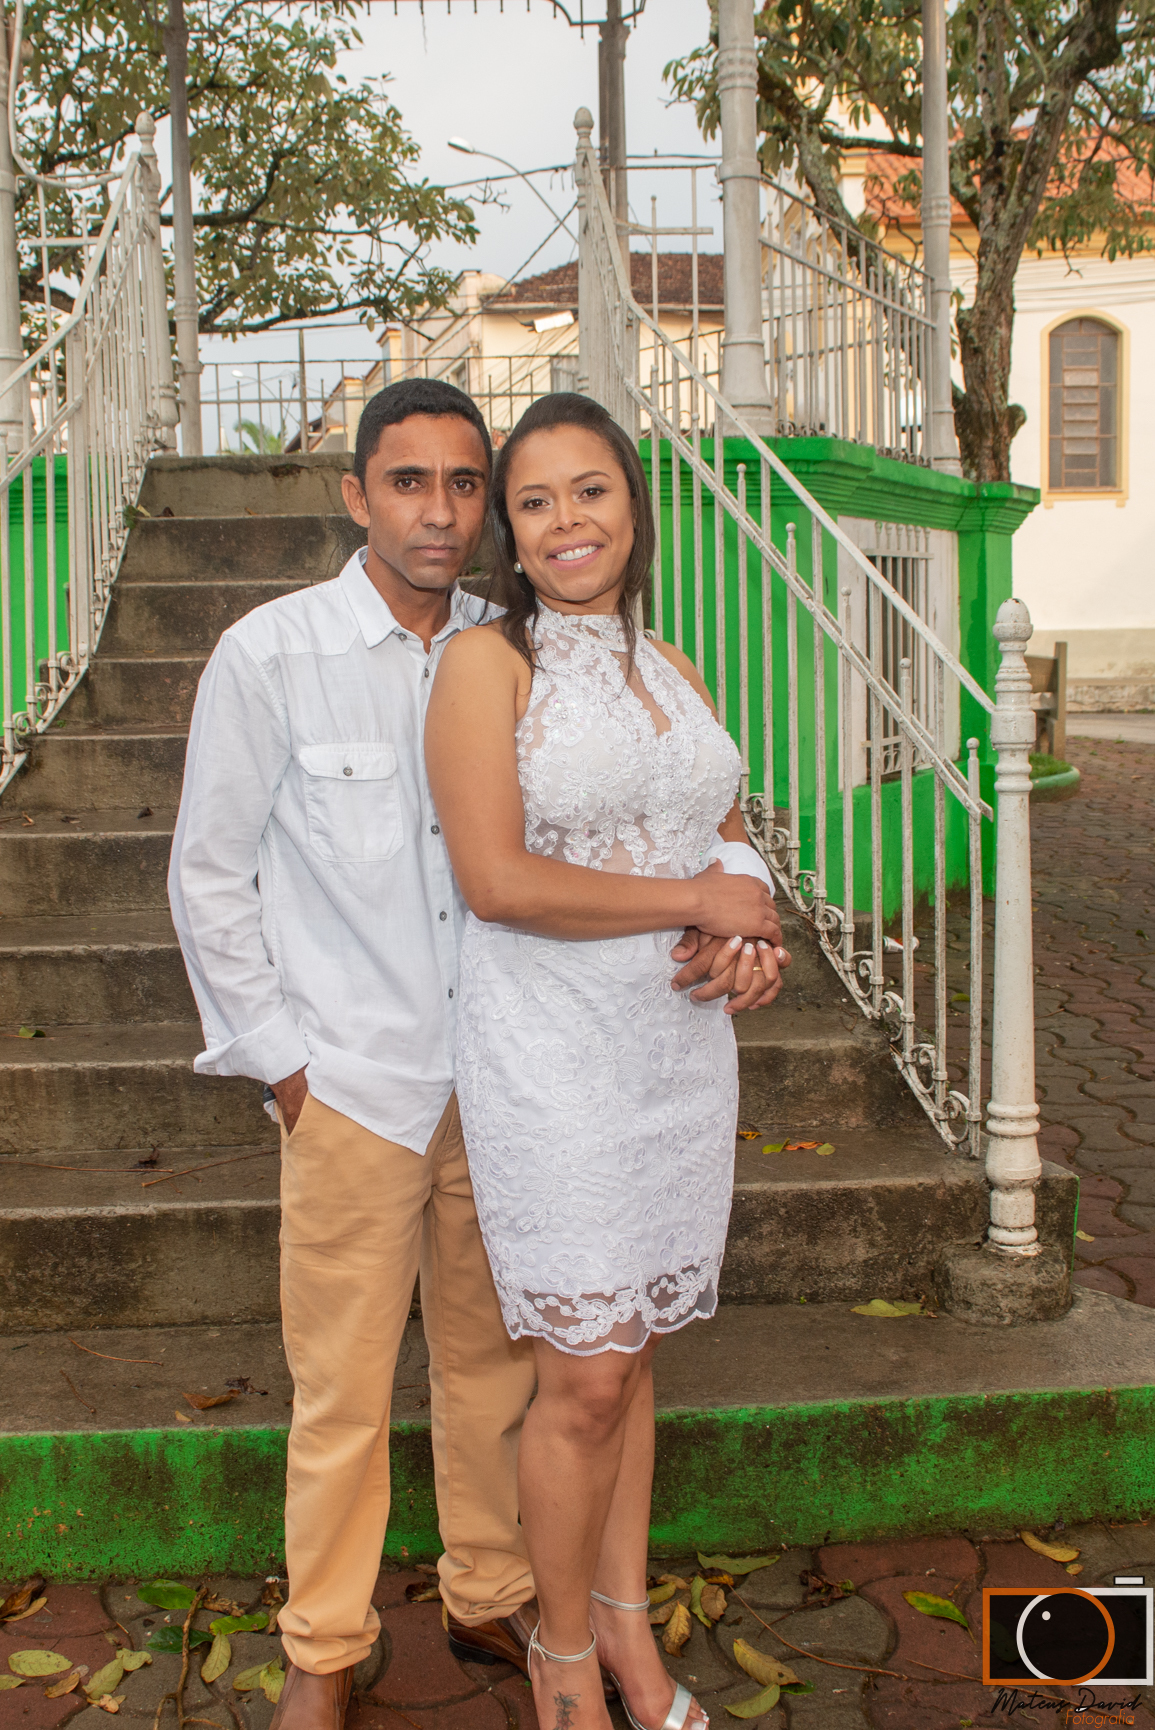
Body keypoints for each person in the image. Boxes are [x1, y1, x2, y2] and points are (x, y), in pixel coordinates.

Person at [169, 378, 785, 1730]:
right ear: (357, 495)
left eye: (464, 483)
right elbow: (210, 871)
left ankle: (494, 1589)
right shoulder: (274, 653)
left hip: (519, 1073)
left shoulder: (528, 639)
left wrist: (740, 915)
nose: (440, 511)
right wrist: (282, 1062)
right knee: (342, 1384)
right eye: (411, 481)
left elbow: (694, 821)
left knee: (500, 1370)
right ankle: (325, 1646)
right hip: (362, 1075)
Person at [424, 392, 788, 1730]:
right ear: (509, 535)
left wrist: (751, 938)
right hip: (550, 1053)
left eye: (590, 491)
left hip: (675, 1051)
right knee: (580, 1374)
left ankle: (628, 1632)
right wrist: (699, 899)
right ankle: (562, 1654)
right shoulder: (484, 666)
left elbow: (726, 833)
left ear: (634, 505)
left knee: (629, 1357)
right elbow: (497, 880)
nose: (565, 521)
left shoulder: (672, 662)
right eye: (534, 501)